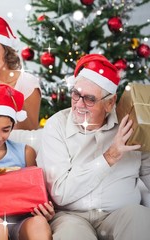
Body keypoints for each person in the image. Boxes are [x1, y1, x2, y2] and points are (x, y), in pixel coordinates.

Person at [36, 54, 150, 240]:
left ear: (110, 103)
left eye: (89, 99)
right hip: (71, 217)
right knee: (72, 235)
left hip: (119, 213)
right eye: (76, 94)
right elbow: (61, 193)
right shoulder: (56, 125)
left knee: (141, 218)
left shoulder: (130, 124)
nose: (79, 105)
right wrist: (109, 157)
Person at [0, 84, 54, 240]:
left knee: (39, 223)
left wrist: (46, 209)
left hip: (22, 220)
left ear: (13, 127)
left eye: (5, 130)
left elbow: (36, 193)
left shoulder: (26, 152)